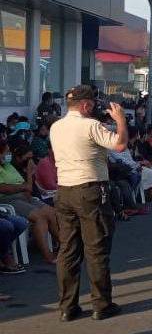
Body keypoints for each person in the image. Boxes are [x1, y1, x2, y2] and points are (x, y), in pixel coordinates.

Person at [50, 84, 128, 322]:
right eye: (93, 104)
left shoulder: (56, 127)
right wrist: (120, 120)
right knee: (96, 249)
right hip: (91, 189)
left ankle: (67, 307)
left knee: (68, 251)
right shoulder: (91, 126)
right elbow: (120, 145)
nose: (95, 108)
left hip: (64, 190)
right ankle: (101, 304)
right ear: (85, 105)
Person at [0, 140, 59, 264]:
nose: (8, 154)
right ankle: (48, 256)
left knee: (52, 212)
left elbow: (28, 188)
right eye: (6, 152)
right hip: (9, 200)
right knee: (39, 217)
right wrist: (23, 185)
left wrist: (28, 176)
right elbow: (4, 189)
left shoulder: (8, 166)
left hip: (24, 197)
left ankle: (67, 249)